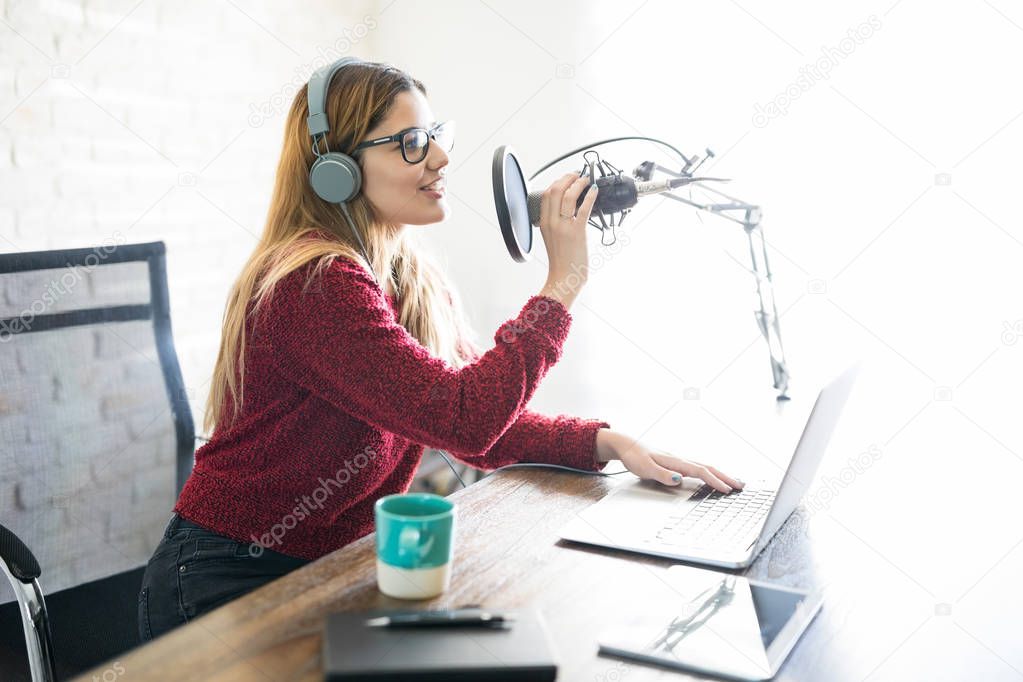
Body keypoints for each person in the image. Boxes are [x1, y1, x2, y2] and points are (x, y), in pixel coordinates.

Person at [137, 58, 744, 643]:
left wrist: (605, 442)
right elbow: (465, 417)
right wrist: (562, 285)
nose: (442, 157)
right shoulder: (314, 282)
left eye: (435, 135)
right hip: (229, 577)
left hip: (330, 566)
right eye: (410, 142)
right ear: (336, 169)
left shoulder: (409, 278)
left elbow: (476, 421)